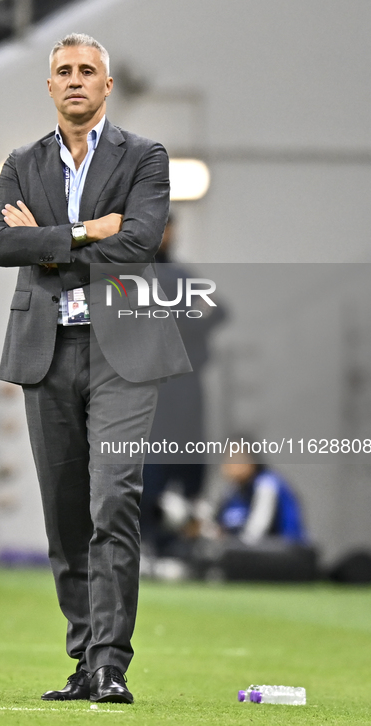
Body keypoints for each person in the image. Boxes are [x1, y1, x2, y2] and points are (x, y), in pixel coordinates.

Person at [0, 33, 191, 704]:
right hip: (47, 352)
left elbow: (136, 242)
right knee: (65, 517)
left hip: (121, 352)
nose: (75, 80)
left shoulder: (146, 157)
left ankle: (110, 663)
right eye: (63, 72)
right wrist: (82, 232)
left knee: (114, 500)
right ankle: (83, 659)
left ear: (107, 86)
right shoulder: (20, 164)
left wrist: (44, 245)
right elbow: (0, 244)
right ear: (50, 87)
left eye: (87, 71)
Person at [140, 216, 226, 560]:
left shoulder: (181, 276)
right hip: (151, 388)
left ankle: (183, 544)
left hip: (184, 388)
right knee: (148, 466)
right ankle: (147, 543)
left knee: (189, 464)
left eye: (169, 228)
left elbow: (218, 311)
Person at [217, 450, 306, 544]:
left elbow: (255, 533)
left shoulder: (267, 484)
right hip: (253, 552)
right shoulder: (232, 491)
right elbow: (220, 527)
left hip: (289, 549)